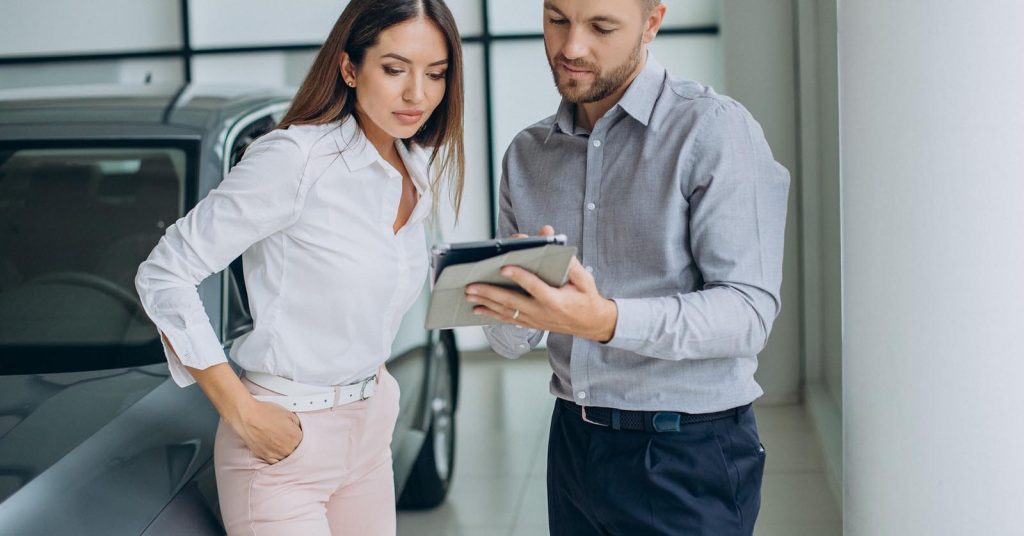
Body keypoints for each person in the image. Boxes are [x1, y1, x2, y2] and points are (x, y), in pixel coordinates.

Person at [134, 1, 464, 534]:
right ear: (350, 68)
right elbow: (164, 272)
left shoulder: (414, 165)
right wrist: (242, 411)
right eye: (395, 68)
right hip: (283, 443)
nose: (417, 95)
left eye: (436, 74)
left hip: (369, 431)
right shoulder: (295, 159)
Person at [467, 0, 790, 534]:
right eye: (556, 19)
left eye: (601, 27)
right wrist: (511, 299)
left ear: (652, 22)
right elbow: (509, 342)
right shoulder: (528, 154)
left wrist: (604, 320)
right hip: (573, 443)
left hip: (686, 454)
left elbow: (748, 312)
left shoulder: (712, 131)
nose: (571, 47)